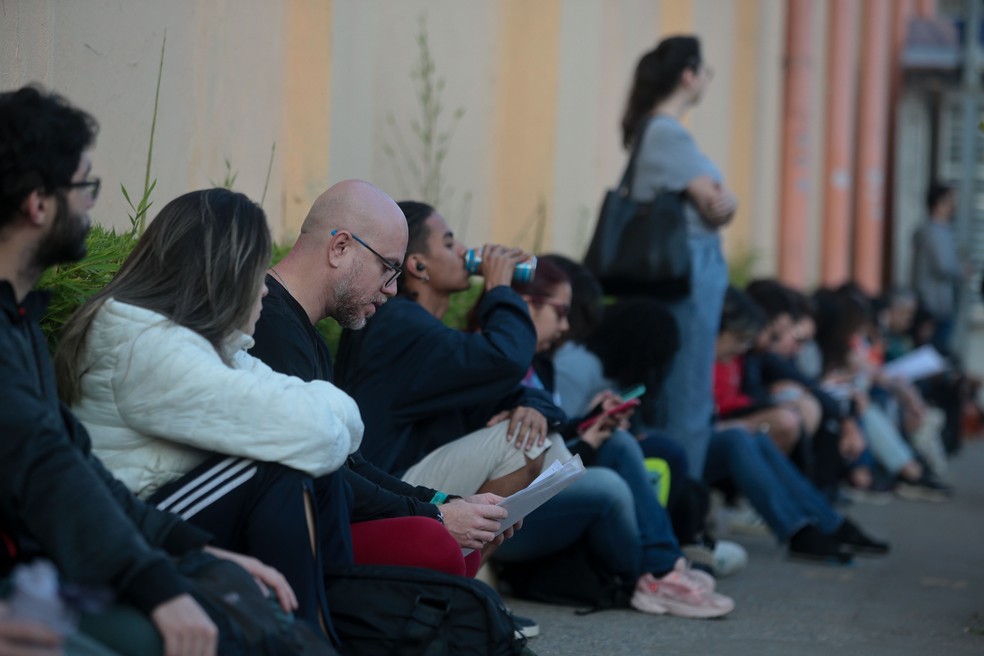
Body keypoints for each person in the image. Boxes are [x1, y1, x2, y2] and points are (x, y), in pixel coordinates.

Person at [0, 85, 297, 656]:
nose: (90, 205)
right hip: (34, 589)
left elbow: (74, 463)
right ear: (38, 204)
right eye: (85, 187)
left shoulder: (19, 323)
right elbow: (47, 469)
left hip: (57, 572)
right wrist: (154, 580)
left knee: (247, 614)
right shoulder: (123, 334)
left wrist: (191, 551)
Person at [54, 188, 352, 639]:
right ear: (225, 272)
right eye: (258, 271)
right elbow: (317, 431)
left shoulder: (207, 344)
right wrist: (325, 416)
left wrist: (326, 416)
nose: (266, 287)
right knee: (280, 467)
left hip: (164, 510)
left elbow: (342, 422)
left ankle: (313, 632)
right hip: (131, 527)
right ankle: (308, 638)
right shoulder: (140, 344)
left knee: (292, 457)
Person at [248, 181, 517, 581]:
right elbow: (319, 473)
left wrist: (443, 502)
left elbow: (348, 460)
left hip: (323, 516)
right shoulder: (268, 327)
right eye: (388, 267)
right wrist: (438, 516)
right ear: (340, 247)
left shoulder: (305, 332)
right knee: (437, 542)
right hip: (277, 541)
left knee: (453, 541)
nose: (393, 288)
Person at [334, 201, 571, 498]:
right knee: (523, 443)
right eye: (448, 242)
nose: (462, 250)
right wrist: (499, 287)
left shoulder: (428, 332)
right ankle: (466, 545)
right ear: (418, 265)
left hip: (415, 479)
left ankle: (485, 540)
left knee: (545, 439)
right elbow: (507, 358)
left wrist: (536, 409)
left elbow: (501, 387)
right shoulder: (398, 324)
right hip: (385, 488)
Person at [621, 35, 737, 480]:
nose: (706, 80)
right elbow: (716, 203)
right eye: (705, 71)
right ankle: (683, 510)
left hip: (684, 268)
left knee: (679, 390)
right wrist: (728, 202)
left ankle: (677, 509)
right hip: (689, 268)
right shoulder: (667, 132)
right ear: (688, 75)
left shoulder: (657, 129)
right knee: (689, 394)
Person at [709, 288, 890, 563]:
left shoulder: (738, 358)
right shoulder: (703, 360)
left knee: (756, 435)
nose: (743, 346)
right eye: (739, 338)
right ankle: (798, 529)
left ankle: (826, 522)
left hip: (729, 424)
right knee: (744, 435)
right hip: (709, 435)